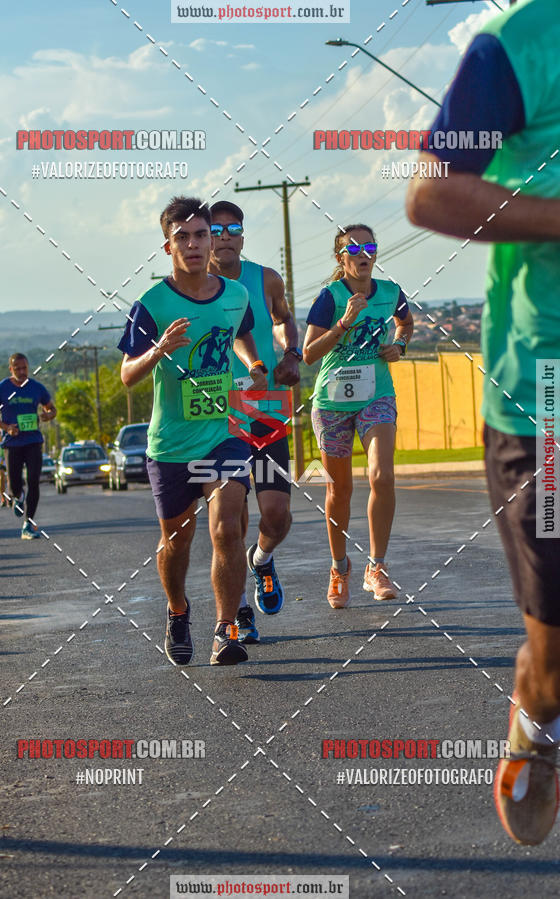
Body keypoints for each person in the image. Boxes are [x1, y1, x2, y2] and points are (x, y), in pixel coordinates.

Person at [406, 0, 560, 846]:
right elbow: (436, 193)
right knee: (557, 653)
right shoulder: (520, 46)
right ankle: (539, 704)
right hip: (549, 398)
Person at [118, 195, 268, 667]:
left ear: (212, 240)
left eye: (201, 234)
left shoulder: (235, 294)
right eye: (182, 237)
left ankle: (226, 630)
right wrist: (159, 349)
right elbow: (127, 374)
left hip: (222, 435)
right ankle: (178, 610)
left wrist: (254, 361)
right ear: (168, 247)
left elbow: (240, 331)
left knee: (227, 524)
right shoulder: (152, 304)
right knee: (176, 542)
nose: (194, 243)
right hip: (170, 445)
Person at [303, 225, 413, 607]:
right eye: (354, 248)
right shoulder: (329, 298)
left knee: (382, 475)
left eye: (370, 246)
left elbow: (406, 323)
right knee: (340, 490)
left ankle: (376, 567)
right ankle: (338, 568)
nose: (363, 253)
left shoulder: (391, 293)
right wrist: (345, 322)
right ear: (341, 259)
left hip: (376, 395)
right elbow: (309, 354)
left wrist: (399, 345)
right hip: (332, 402)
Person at [208, 200, 301, 644]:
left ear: (243, 236)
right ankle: (240, 612)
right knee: (231, 515)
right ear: (204, 236)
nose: (224, 235)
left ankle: (261, 559)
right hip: (211, 412)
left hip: (262, 405)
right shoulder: (193, 286)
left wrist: (291, 354)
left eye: (233, 228)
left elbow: (284, 319)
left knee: (277, 514)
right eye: (216, 228)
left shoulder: (265, 279)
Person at [0, 354, 57, 539]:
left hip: (33, 441)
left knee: (34, 480)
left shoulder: (36, 388)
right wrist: (6, 427)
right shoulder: (2, 388)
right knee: (14, 483)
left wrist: (48, 415)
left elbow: (52, 408)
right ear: (11, 369)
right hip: (12, 443)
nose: (22, 372)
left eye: (24, 368)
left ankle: (28, 524)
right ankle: (18, 496)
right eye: (17, 369)